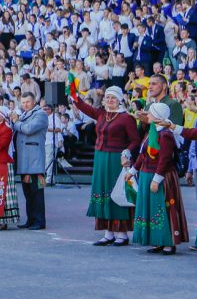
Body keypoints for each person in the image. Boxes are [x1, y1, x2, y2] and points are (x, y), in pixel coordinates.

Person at [70, 86, 141, 245]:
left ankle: (121, 234)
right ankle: (108, 232)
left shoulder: (126, 118)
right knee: (103, 192)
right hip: (100, 157)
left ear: (119, 100)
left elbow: (135, 140)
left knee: (117, 193)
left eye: (113, 98)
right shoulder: (102, 114)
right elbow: (83, 107)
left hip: (116, 159)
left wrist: (127, 152)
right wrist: (74, 93)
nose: (110, 100)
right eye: (108, 97)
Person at [131, 102, 189, 254]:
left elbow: (164, 159)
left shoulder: (166, 135)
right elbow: (142, 156)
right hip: (146, 174)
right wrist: (132, 171)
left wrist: (156, 180)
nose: (147, 115)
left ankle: (169, 242)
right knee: (152, 208)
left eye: (150, 113)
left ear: (157, 116)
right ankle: (158, 241)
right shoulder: (152, 131)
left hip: (162, 177)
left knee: (164, 208)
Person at [169, 94, 197, 251]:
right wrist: (190, 169)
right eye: (196, 96)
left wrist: (173, 127)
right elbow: (194, 142)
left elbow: (195, 134)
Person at [13, 93, 48, 229]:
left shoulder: (41, 114)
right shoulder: (24, 115)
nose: (25, 105)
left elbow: (28, 129)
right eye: (23, 102)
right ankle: (31, 220)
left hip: (34, 162)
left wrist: (16, 122)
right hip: (24, 162)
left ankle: (39, 221)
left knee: (36, 193)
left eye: (28, 102)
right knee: (28, 194)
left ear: (34, 102)